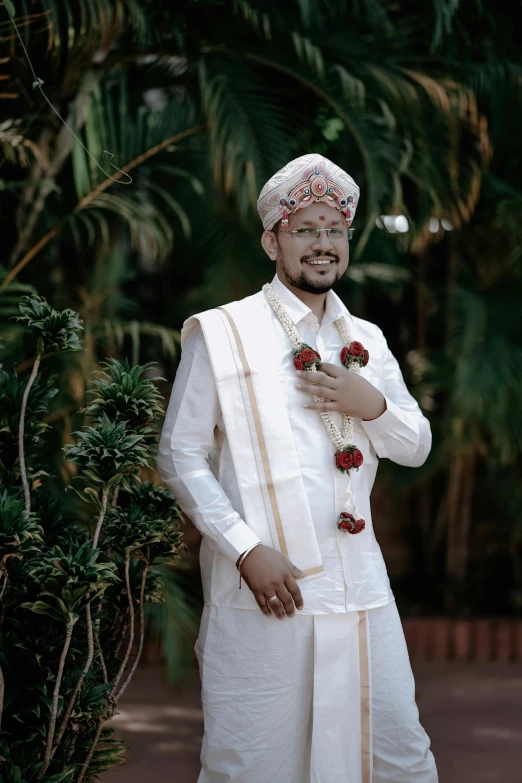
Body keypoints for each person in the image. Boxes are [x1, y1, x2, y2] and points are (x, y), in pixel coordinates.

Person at [157, 153, 438, 783]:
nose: (322, 244)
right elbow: (180, 453)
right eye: (305, 229)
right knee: (254, 761)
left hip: (360, 588)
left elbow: (415, 444)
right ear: (272, 239)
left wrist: (374, 407)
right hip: (266, 591)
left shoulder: (366, 338)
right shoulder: (224, 332)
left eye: (334, 230)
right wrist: (244, 548)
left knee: (398, 758)